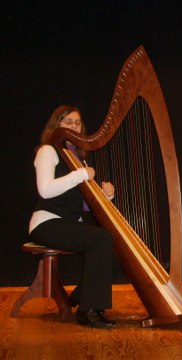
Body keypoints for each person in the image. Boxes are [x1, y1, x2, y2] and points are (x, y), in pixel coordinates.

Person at [28, 105, 116, 328]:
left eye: (77, 123)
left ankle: (80, 297)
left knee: (118, 246)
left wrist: (106, 196)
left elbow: (86, 206)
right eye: (67, 121)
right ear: (56, 124)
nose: (73, 126)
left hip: (68, 222)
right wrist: (80, 175)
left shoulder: (76, 157)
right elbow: (45, 190)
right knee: (102, 239)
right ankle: (89, 310)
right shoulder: (47, 151)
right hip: (46, 222)